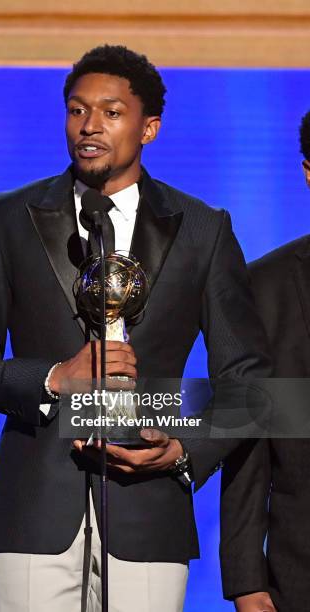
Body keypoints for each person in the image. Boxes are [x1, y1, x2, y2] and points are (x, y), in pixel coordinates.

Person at [0, 45, 270, 612]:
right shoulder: (7, 219)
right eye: (76, 110)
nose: (89, 126)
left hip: (150, 515)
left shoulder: (203, 230)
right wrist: (52, 378)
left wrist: (184, 452)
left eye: (111, 112)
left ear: (150, 128)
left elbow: (252, 382)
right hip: (34, 518)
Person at [220, 109, 310, 612]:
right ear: (308, 173)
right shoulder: (264, 287)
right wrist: (247, 579)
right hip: (298, 575)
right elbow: (246, 434)